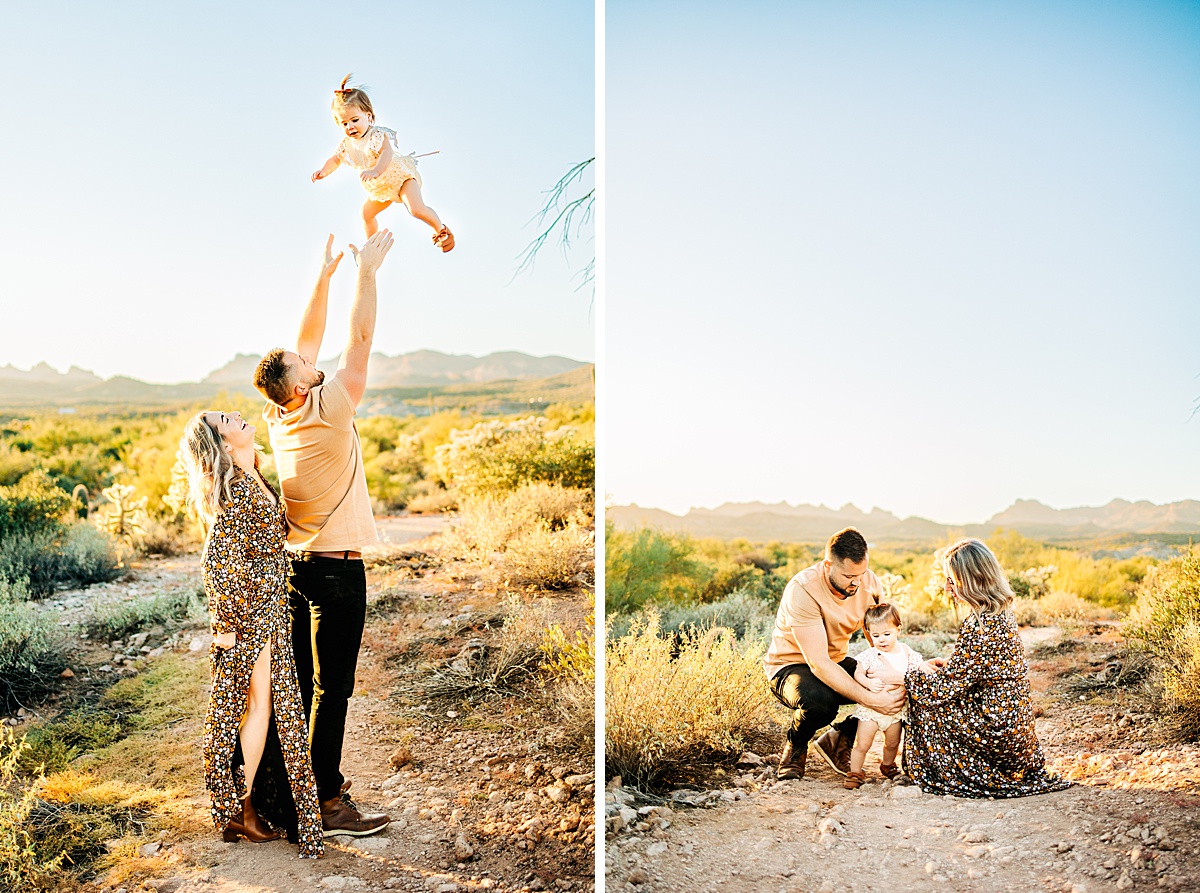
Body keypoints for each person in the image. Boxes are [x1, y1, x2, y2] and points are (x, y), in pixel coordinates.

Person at [252, 229, 395, 837]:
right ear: (302, 383)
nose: (313, 361)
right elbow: (358, 339)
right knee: (331, 691)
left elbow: (303, 343)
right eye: (307, 366)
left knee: (302, 688)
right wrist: (368, 270)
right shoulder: (332, 406)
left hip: (295, 569)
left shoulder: (280, 415)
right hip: (336, 570)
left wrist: (324, 273)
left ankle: (292, 797)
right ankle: (328, 801)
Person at [180, 409, 323, 858]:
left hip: (271, 607)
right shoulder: (236, 490)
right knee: (259, 707)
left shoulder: (251, 474)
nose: (238, 416)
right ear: (221, 444)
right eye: (227, 419)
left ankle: (240, 807)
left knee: (261, 708)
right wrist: (227, 626)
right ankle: (239, 808)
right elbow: (216, 558)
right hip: (250, 615)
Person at [882, 538, 1071, 798]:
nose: (947, 589)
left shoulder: (982, 624)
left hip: (996, 733)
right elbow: (984, 669)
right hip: (1014, 733)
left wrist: (904, 676)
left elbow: (944, 689)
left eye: (952, 580)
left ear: (972, 579)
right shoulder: (1001, 613)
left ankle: (937, 771)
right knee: (927, 685)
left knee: (924, 698)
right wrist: (950, 665)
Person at [764, 527, 906, 781]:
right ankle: (796, 746)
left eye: (861, 574)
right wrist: (871, 700)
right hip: (791, 666)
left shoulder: (868, 582)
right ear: (828, 565)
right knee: (821, 702)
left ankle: (840, 737)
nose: (857, 582)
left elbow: (879, 637)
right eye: (849, 575)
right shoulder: (803, 589)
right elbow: (817, 663)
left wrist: (899, 670)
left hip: (836, 660)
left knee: (890, 681)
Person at [312, 74, 454, 250]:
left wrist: (376, 171)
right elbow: (335, 159)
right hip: (382, 189)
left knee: (416, 209)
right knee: (366, 214)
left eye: (355, 120)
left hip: (402, 179)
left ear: (369, 117)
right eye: (344, 123)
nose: (350, 127)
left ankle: (441, 230)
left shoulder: (376, 135)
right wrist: (324, 171)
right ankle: (372, 246)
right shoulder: (346, 145)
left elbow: (387, 152)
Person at [843, 603, 923, 790]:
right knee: (863, 743)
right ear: (869, 633)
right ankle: (854, 772)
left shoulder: (906, 652)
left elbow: (917, 669)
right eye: (875, 635)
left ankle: (887, 765)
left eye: (887, 634)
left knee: (892, 743)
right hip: (871, 710)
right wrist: (869, 683)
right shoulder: (870, 655)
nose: (881, 640)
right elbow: (858, 674)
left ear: (898, 629)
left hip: (896, 710)